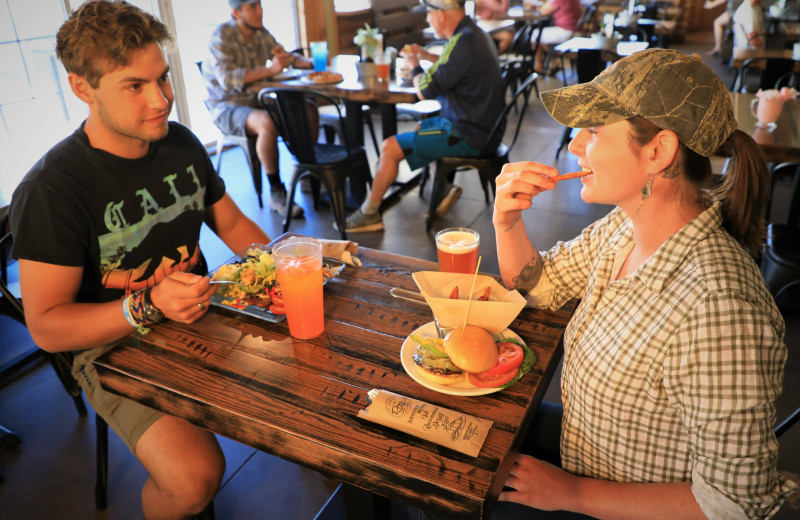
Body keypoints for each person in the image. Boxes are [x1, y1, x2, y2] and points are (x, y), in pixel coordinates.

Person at [489, 49, 797, 519]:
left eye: (593, 131)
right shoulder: (624, 227)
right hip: (587, 449)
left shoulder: (721, 312)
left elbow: (734, 505)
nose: (574, 147)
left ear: (658, 152)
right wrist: (507, 222)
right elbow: (540, 284)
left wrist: (572, 494)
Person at [9, 1, 272, 518]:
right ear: (82, 88)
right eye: (135, 86)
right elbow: (46, 326)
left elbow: (237, 227)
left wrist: (283, 263)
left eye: (164, 78)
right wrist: (146, 305)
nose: (162, 100)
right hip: (111, 341)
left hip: (199, 311)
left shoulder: (181, 144)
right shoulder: (51, 190)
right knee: (194, 481)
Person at [340, 0, 506, 233]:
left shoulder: (463, 41)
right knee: (422, 127)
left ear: (440, 14)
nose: (427, 19)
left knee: (389, 147)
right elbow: (455, 68)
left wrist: (414, 64)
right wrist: (427, 55)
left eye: (428, 14)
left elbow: (424, 90)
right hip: (483, 127)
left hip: (469, 134)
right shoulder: (472, 34)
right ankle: (444, 187)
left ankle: (370, 213)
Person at [202, 0, 315, 218]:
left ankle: (308, 172)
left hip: (257, 101)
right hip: (227, 107)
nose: (260, 10)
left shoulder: (261, 33)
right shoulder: (221, 36)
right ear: (236, 12)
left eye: (260, 5)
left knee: (307, 108)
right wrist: (271, 68)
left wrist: (308, 62)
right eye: (252, 7)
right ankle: (276, 192)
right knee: (267, 122)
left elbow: (284, 56)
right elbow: (227, 80)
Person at [531, 0, 582, 74]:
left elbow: (543, 12)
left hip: (567, 32)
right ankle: (553, 62)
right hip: (576, 31)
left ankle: (539, 66)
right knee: (542, 36)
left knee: (535, 34)